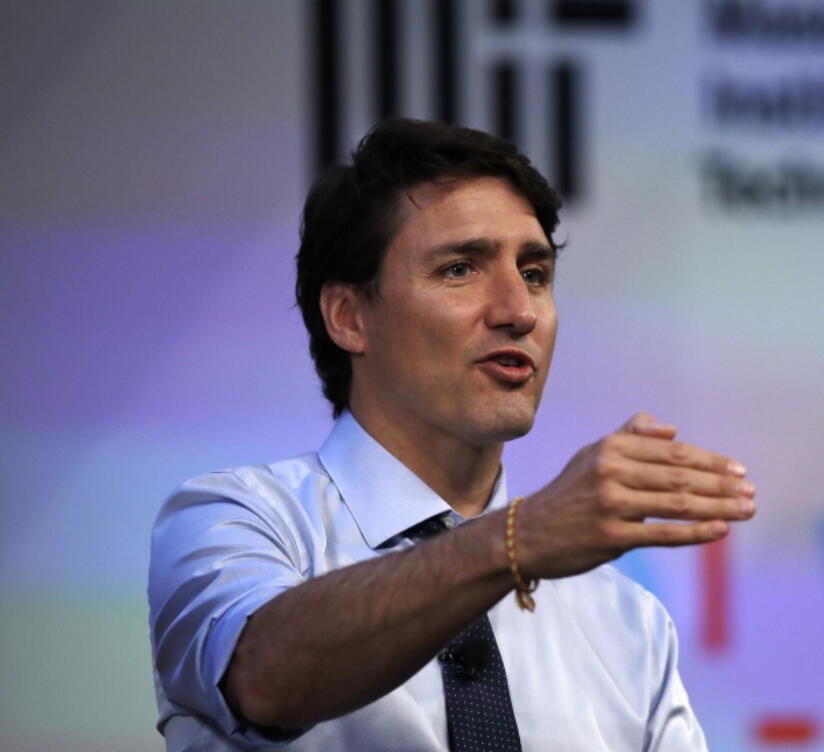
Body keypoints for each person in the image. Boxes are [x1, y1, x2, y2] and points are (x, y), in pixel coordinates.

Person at [147, 118, 756, 751]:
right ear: (349, 317)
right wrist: (512, 541)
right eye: (461, 268)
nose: (518, 310)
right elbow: (264, 678)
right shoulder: (236, 519)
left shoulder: (630, 622)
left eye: (535, 273)